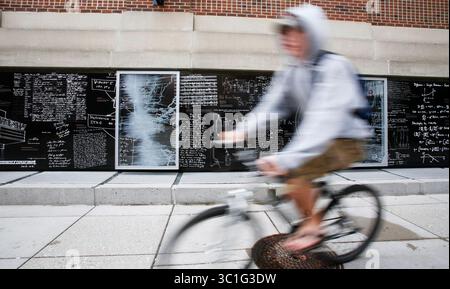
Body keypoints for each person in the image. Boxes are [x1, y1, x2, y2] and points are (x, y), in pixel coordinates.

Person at [219, 4, 372, 252]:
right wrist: (242, 130)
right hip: (322, 137)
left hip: (347, 138)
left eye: (296, 31)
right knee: (295, 177)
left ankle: (313, 227)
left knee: (297, 174)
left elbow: (324, 120)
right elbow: (271, 105)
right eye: (284, 32)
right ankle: (312, 215)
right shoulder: (291, 70)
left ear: (312, 34)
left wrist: (288, 158)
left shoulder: (334, 66)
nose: (288, 37)